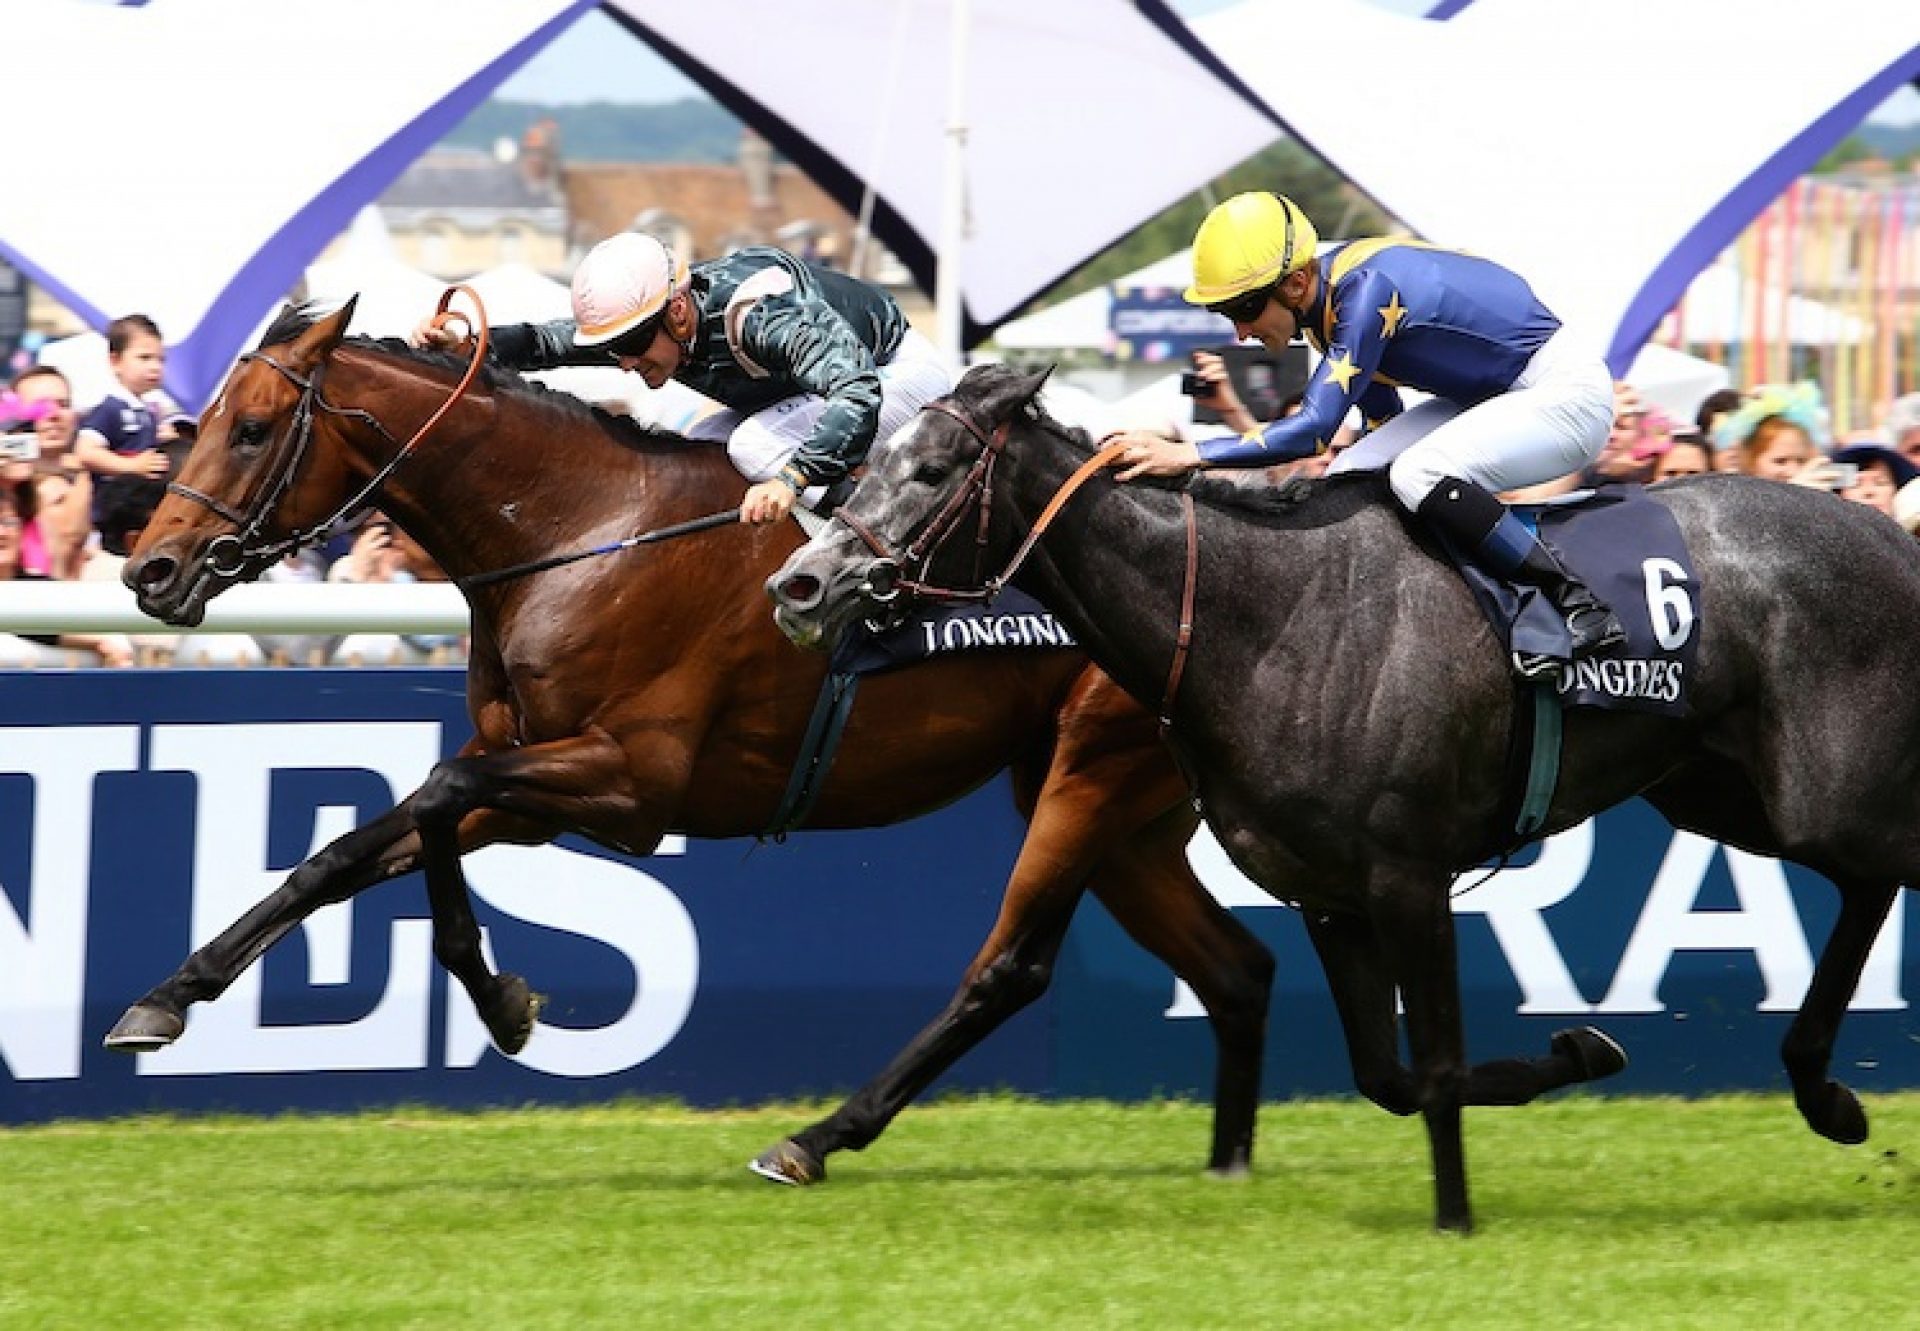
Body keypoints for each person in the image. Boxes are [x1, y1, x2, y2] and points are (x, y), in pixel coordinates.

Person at [1106, 191, 1623, 665]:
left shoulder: (1364, 294)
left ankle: (1569, 597)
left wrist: (1189, 454)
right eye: (1225, 313)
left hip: (1564, 393)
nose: (1240, 331)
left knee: (1418, 473)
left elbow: (1312, 431)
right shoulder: (1320, 312)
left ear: (1297, 281)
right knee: (1347, 474)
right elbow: (1380, 424)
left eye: (1244, 309)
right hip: (1498, 392)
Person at [413, 232, 950, 526]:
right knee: (690, 453)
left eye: (626, 349)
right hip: (809, 392)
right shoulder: (653, 329)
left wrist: (793, 481)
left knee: (753, 444)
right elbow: (549, 343)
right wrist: (470, 347)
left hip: (895, 376)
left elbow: (856, 392)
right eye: (611, 351)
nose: (623, 364)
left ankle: (869, 546)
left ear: (677, 313)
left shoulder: (760, 314)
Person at [73, 314, 176, 553]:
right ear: (115, 361)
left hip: (141, 512)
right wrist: (132, 466)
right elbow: (86, 451)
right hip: (113, 516)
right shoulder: (111, 409)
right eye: (144, 358)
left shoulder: (149, 411)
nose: (154, 366)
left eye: (160, 360)